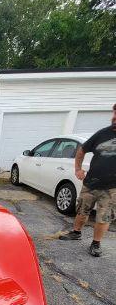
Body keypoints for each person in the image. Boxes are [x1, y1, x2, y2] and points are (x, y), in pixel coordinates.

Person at [59, 104, 116, 256]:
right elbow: (82, 150)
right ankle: (76, 233)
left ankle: (96, 244)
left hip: (112, 188)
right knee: (82, 210)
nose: (114, 118)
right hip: (91, 183)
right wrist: (77, 169)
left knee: (104, 216)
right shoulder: (102, 134)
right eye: (114, 114)